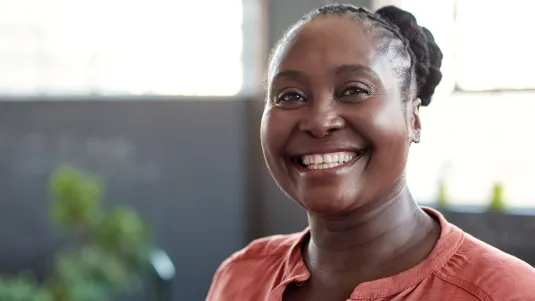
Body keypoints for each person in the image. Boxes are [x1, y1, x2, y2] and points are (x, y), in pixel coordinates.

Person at [206, 4, 535, 301]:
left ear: (413, 118)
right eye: (290, 96)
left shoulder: (505, 292)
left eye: (354, 90)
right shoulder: (240, 277)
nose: (320, 122)